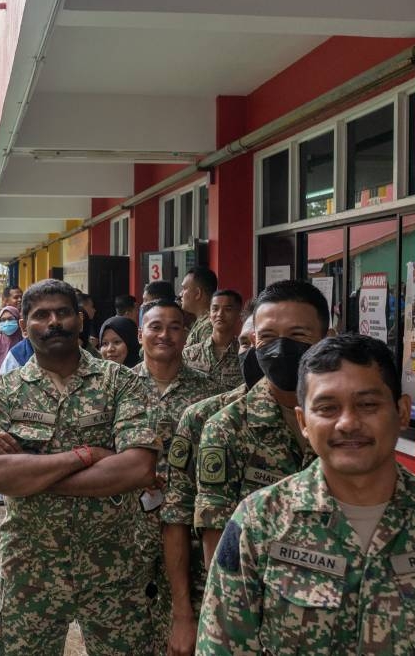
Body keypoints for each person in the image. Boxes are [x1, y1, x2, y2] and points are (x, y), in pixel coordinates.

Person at [197, 334, 415, 654]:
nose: (348, 423)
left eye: (367, 405)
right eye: (327, 408)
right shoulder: (259, 522)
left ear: (402, 411)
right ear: (303, 422)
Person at [0, 279, 160, 655]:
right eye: (41, 315)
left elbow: (138, 467)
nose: (53, 322)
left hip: (114, 570)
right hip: (30, 573)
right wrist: (86, 455)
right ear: (24, 327)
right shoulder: (3, 393)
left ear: (79, 318)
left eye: (62, 312)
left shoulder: (120, 383)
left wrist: (30, 476)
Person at [195, 280, 332, 569]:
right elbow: (218, 545)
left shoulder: (345, 422)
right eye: (267, 337)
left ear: (326, 339)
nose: (280, 348)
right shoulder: (227, 427)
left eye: (297, 334)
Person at [160, 314, 261, 655]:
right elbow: (176, 516)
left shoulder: (331, 426)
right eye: (248, 343)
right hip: (219, 609)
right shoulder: (208, 419)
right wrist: (183, 614)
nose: (261, 352)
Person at [131, 299, 218, 655]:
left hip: (190, 534)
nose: (164, 335)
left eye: (174, 327)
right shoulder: (117, 388)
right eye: (155, 327)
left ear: (186, 335)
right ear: (140, 334)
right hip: (129, 533)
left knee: (186, 633)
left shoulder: (210, 395)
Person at [182, 289, 243, 391]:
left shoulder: (243, 355)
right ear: (209, 314)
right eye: (215, 309)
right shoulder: (189, 354)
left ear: (238, 315)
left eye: (227, 309)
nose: (220, 314)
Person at [180, 267, 218, 348]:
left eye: (184, 289)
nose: (180, 294)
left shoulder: (208, 327)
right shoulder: (200, 322)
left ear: (198, 293)